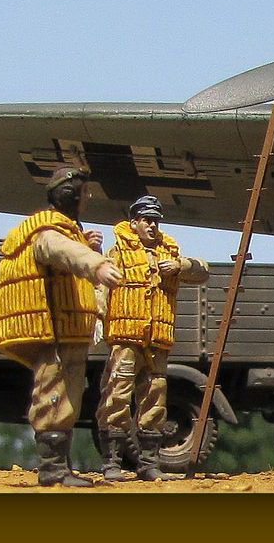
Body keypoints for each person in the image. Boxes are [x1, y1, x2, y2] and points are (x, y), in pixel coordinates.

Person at [0, 165, 124, 487]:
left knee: (67, 397)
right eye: (85, 192)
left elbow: (70, 250)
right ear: (71, 195)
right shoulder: (48, 231)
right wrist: (97, 264)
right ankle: (52, 469)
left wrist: (88, 246)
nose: (88, 198)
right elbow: (62, 250)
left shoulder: (66, 230)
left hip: (69, 330)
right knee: (53, 396)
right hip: (55, 331)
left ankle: (60, 466)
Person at [95, 195, 210, 482]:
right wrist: (98, 316)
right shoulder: (118, 252)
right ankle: (111, 463)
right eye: (146, 220)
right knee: (116, 396)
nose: (152, 225)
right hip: (126, 337)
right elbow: (102, 286)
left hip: (156, 340)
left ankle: (149, 463)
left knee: (155, 401)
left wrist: (181, 265)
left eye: (156, 220)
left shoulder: (169, 253)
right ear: (134, 223)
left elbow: (202, 271)